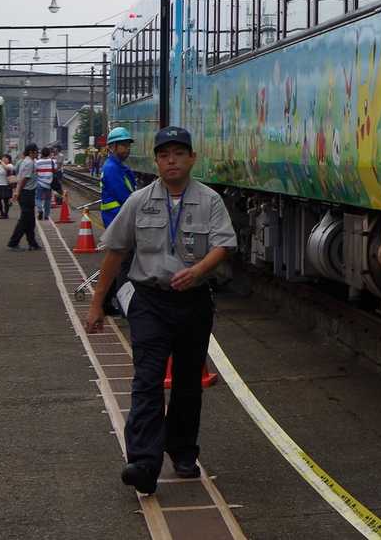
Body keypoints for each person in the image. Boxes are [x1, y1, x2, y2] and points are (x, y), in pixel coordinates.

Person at [85, 126, 234, 496]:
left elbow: (223, 245)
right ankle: (143, 463)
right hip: (150, 303)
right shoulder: (139, 201)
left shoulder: (210, 201)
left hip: (194, 302)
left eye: (179, 154)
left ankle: (183, 452)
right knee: (147, 380)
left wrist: (199, 270)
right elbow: (116, 251)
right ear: (156, 162)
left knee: (187, 382)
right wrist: (97, 303)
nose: (172, 161)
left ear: (192, 158)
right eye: (165, 155)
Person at [99, 128, 136, 231]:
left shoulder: (120, 167)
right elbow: (123, 196)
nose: (128, 149)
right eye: (124, 145)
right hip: (116, 218)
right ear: (112, 147)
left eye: (128, 145)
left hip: (119, 217)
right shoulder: (111, 168)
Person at [7, 144, 41, 251]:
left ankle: (32, 243)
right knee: (25, 220)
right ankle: (13, 243)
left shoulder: (26, 161)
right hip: (26, 193)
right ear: (31, 152)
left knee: (30, 220)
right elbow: (24, 179)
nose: (38, 153)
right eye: (36, 151)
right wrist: (17, 192)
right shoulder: (29, 163)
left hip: (27, 192)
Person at [34, 147, 57, 220]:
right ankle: (46, 215)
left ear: (41, 153)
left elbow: (35, 172)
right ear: (49, 153)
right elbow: (55, 170)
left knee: (38, 198)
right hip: (49, 184)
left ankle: (40, 210)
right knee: (48, 200)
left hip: (39, 183)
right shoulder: (53, 162)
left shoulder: (37, 162)